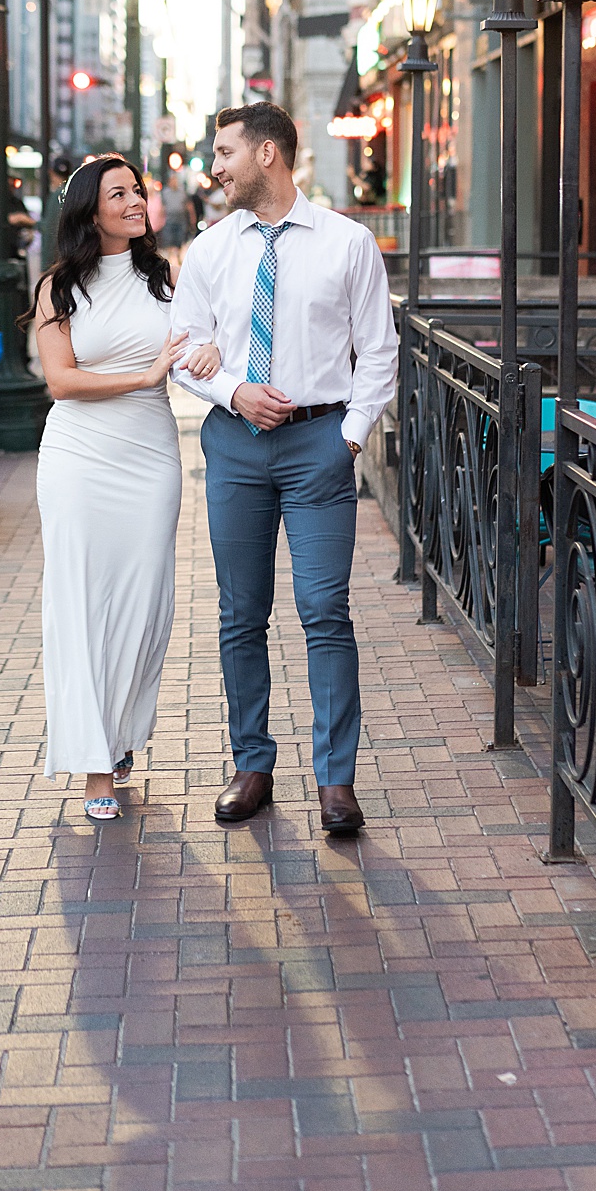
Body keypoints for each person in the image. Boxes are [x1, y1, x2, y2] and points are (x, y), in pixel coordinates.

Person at [169, 103, 399, 836]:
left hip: (319, 445)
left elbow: (381, 351)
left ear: (268, 154)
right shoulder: (208, 251)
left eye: (224, 152)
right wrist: (232, 389)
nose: (215, 167)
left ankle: (337, 782)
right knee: (242, 614)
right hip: (234, 447)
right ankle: (253, 764)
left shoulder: (348, 243)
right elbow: (184, 346)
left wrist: (351, 437)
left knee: (324, 610)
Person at [30, 156, 220, 822]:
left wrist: (210, 354)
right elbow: (62, 380)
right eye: (120, 193)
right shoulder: (59, 288)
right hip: (80, 457)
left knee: (144, 606)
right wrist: (141, 378)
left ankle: (119, 733)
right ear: (90, 210)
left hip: (149, 455)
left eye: (137, 190)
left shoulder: (164, 274)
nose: (136, 201)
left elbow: (199, 343)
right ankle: (94, 766)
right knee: (83, 604)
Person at [42, 156, 74, 269]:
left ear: (50, 172)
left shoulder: (57, 195)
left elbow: (51, 230)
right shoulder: (72, 194)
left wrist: (46, 267)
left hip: (57, 264)